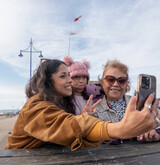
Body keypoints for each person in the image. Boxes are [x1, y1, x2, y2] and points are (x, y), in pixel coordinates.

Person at [4, 59, 158, 150]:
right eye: (64, 76)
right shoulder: (35, 106)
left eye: (122, 80)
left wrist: (155, 129)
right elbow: (67, 125)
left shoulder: (62, 103)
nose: (71, 81)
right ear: (48, 81)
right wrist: (120, 129)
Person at [94, 59, 160, 142]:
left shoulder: (139, 103)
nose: (115, 84)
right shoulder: (94, 108)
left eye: (121, 80)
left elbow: (157, 122)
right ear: (102, 82)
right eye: (110, 79)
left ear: (126, 84)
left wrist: (156, 133)